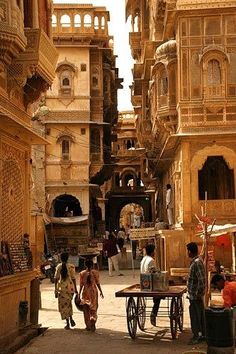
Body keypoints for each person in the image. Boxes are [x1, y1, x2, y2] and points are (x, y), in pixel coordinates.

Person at [186, 242, 206, 344]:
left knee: (196, 317)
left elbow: (202, 281)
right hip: (193, 296)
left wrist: (198, 294)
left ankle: (197, 336)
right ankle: (200, 335)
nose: (187, 253)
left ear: (190, 251)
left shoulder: (197, 262)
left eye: (187, 251)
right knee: (198, 316)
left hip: (195, 296)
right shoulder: (195, 262)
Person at [78, 259, 104, 331]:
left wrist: (79, 294)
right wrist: (101, 291)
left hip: (85, 293)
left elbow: (81, 285)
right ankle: (93, 321)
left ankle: (88, 325)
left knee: (86, 310)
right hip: (93, 293)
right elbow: (98, 283)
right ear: (92, 265)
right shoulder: (95, 273)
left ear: (85, 265)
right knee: (93, 309)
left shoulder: (82, 273)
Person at [54, 252, 78, 329]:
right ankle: (71, 319)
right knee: (69, 304)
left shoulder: (59, 266)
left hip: (62, 288)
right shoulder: (71, 266)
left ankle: (68, 323)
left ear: (61, 258)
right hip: (70, 288)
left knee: (64, 306)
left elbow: (56, 278)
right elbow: (73, 278)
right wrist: (76, 289)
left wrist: (56, 289)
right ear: (68, 258)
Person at [140, 244, 161, 326]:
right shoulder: (151, 260)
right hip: (150, 284)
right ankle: (153, 313)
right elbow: (154, 273)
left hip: (143, 283)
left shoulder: (143, 259)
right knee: (158, 297)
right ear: (153, 252)